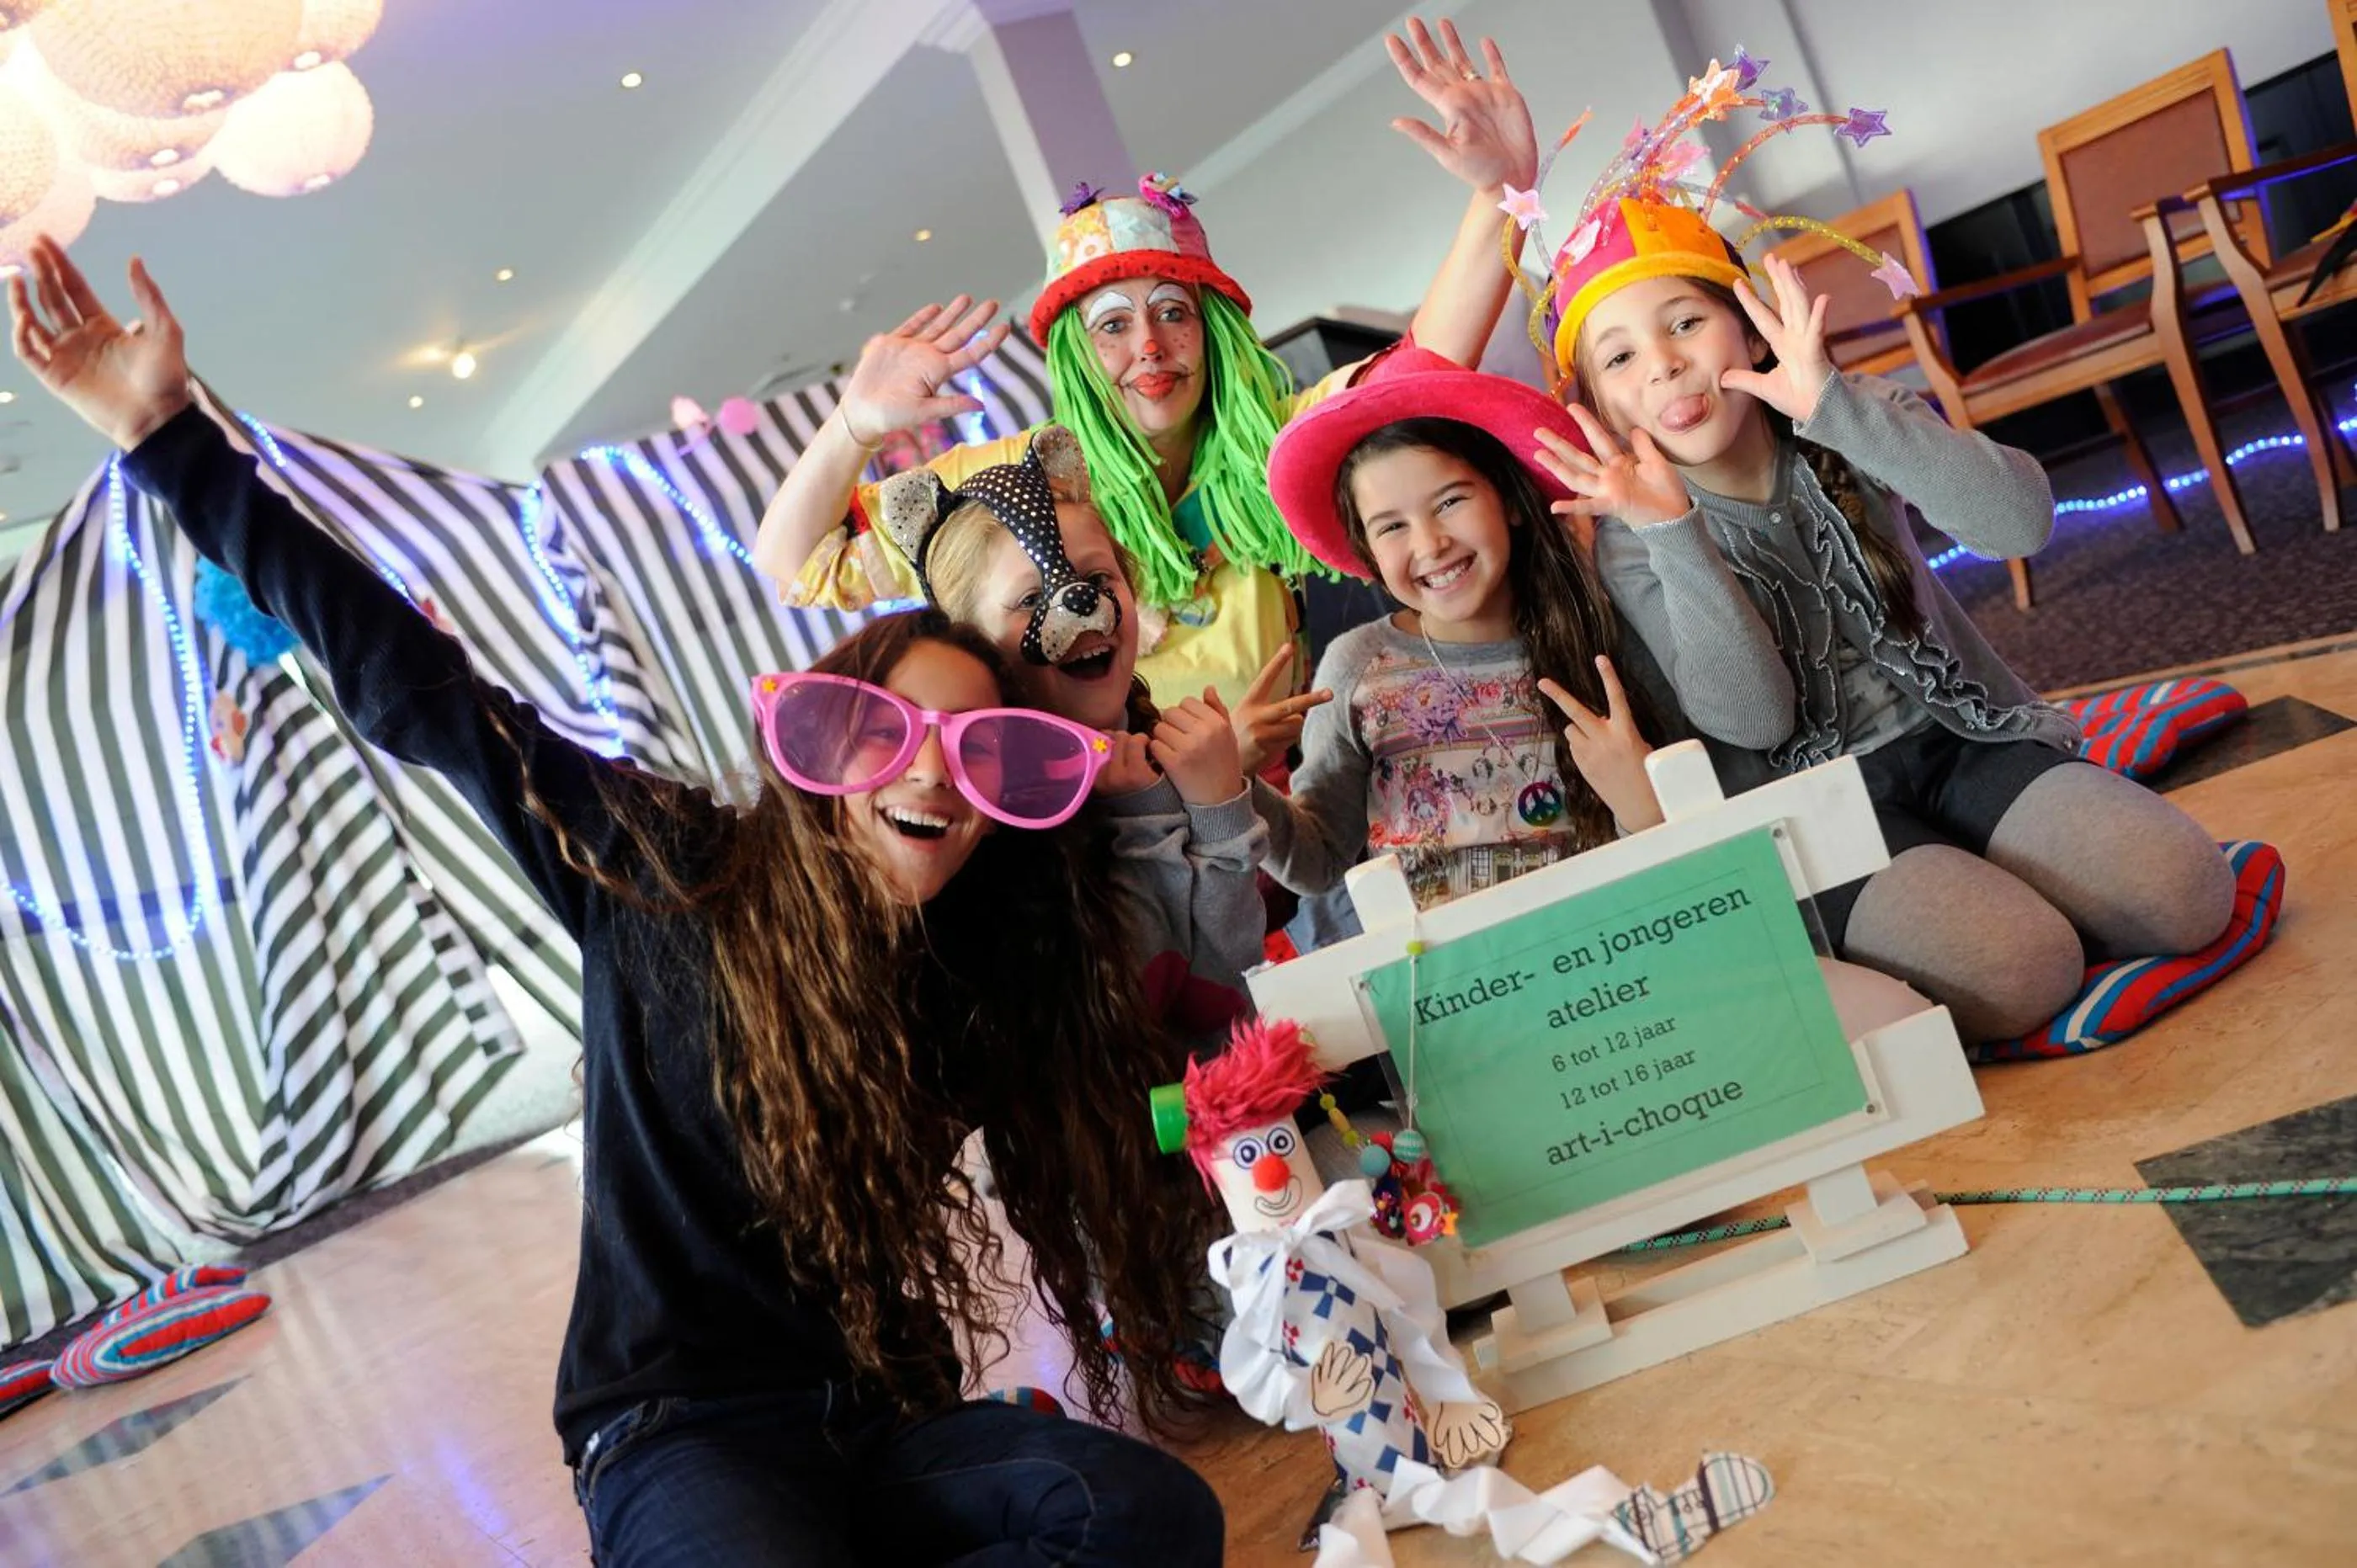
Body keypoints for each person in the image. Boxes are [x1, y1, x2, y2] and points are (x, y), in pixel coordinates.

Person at [8, 237, 1224, 1566]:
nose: (927, 774)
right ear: (824, 745)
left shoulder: (988, 959)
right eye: (888, 733)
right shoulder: (673, 871)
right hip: (682, 1427)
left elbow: (1144, 1067)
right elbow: (416, 683)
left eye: (974, 751)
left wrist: (1171, 779)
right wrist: (169, 442)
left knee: (1146, 1514)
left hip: (887, 1421)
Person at [1540, 209, 2234, 1042]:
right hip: (1817, 814)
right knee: (2024, 969)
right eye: (1620, 357)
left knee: (2187, 894)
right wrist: (1675, 535)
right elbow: (1754, 720)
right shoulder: (1634, 541)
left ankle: (2006, 871)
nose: (1664, 365)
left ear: (1752, 329)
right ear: (1601, 405)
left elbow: (2020, 524)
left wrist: (1835, 410)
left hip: (1963, 741)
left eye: (1685, 323)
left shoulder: (1851, 411)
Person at [753, 17, 1541, 720]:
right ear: (1075, 357)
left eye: (1173, 313)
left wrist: (1501, 192)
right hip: (1106, 814)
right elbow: (796, 566)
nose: (1151, 348)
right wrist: (853, 424)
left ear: (1213, 333)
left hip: (1280, 801)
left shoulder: (1278, 445)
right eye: (1112, 326)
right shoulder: (1011, 489)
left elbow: (1420, 371)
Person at [870, 423, 1265, 1028]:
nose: (1081, 604)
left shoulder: (1160, 742)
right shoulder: (993, 816)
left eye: (1099, 580)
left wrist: (1229, 790)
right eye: (1030, 600)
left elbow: (1244, 982)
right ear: (971, 644)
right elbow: (1173, 1008)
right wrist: (1195, 816)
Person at [1251, 344, 1666, 916]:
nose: (1430, 543)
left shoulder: (1597, 630)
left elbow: (1681, 831)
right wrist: (1235, 786)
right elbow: (1317, 861)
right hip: (1453, 970)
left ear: (1509, 501)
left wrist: (1645, 809)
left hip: (1615, 942)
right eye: (1391, 526)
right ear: (1368, 551)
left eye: (1449, 502)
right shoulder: (1357, 667)